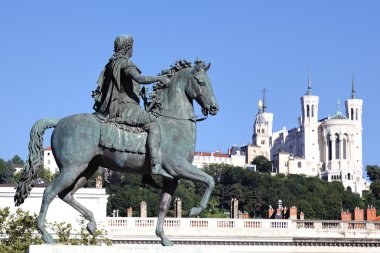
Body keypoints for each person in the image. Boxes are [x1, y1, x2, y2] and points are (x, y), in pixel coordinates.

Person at [92, 35, 172, 179]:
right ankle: (155, 166)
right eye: (132, 46)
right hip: (124, 106)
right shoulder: (124, 63)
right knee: (153, 124)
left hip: (116, 105)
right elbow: (140, 79)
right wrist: (159, 78)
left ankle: (146, 175)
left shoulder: (112, 63)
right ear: (128, 47)